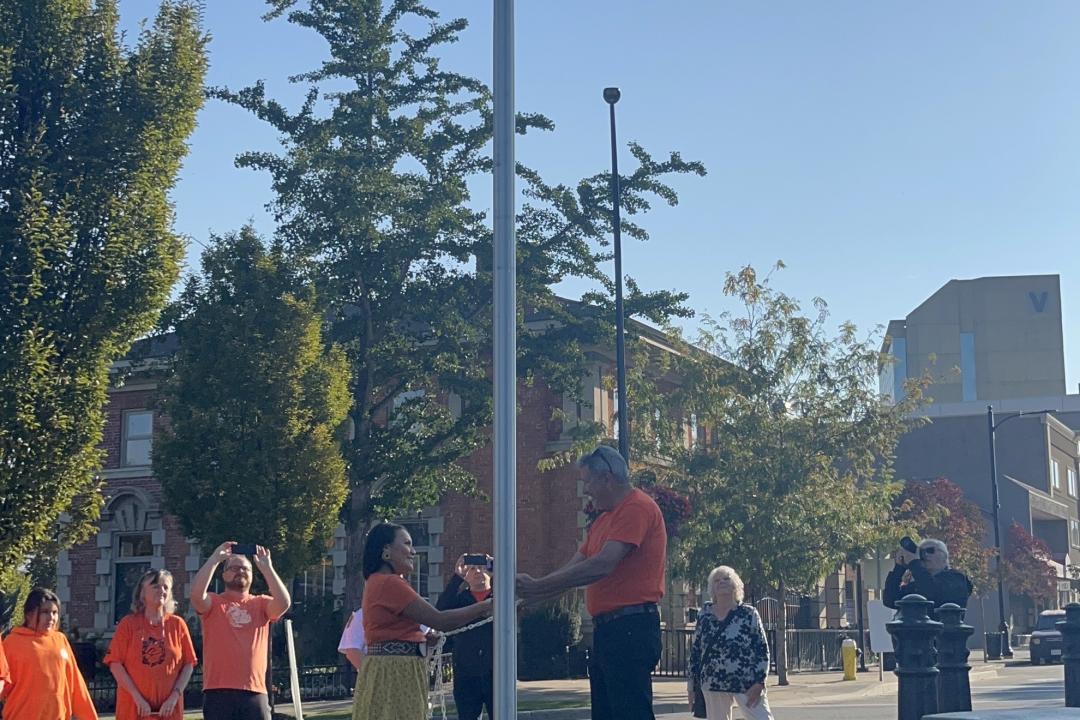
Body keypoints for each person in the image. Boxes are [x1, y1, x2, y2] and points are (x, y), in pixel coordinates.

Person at [516, 445, 667, 720]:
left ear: (607, 479)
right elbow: (577, 567)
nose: (586, 490)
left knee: (630, 713)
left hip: (630, 628)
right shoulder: (603, 520)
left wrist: (538, 587)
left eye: (587, 482)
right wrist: (533, 595)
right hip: (611, 630)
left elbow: (602, 565)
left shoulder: (636, 507)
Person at [352, 523, 493, 720]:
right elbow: (440, 619)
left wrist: (419, 641)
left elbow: (391, 632)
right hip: (395, 671)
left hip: (389, 667)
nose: (413, 551)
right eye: (407, 544)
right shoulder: (390, 582)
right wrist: (487, 605)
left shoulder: (378, 581)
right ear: (386, 550)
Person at [190, 542, 292, 720]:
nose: (241, 571)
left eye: (246, 569)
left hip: (254, 692)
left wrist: (267, 568)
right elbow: (197, 596)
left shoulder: (261, 603)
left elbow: (283, 603)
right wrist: (214, 559)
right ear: (224, 574)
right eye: (234, 568)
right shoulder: (214, 602)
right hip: (218, 692)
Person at [105, 569, 197, 720]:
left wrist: (174, 696)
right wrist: (137, 698)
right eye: (155, 586)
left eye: (165, 587)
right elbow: (115, 664)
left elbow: (188, 664)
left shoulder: (178, 625)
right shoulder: (128, 624)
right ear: (142, 593)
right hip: (134, 709)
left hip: (169, 710)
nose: (161, 590)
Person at [687, 567, 773, 720]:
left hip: (746, 681)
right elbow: (696, 651)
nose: (721, 583)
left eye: (726, 579)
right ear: (712, 588)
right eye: (717, 581)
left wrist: (760, 681)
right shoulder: (705, 615)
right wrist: (691, 685)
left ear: (735, 584)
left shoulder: (748, 614)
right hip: (712, 681)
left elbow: (762, 649)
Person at [0, 587, 97, 720]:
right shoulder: (12, 643)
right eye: (45, 612)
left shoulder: (60, 640)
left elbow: (75, 683)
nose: (51, 617)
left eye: (55, 612)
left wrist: (90, 717)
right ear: (29, 614)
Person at [435, 554, 495, 720]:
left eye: (482, 567)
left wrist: (498, 571)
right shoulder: (460, 600)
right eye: (472, 568)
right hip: (466, 673)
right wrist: (457, 577)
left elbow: (518, 598)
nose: (478, 571)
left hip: (496, 671)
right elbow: (440, 612)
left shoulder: (500, 597)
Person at [883, 538, 973, 615]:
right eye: (921, 552)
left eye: (930, 550)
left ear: (944, 557)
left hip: (943, 633)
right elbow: (890, 600)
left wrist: (914, 563)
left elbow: (932, 591)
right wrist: (899, 568)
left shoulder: (956, 579)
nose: (925, 555)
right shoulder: (917, 584)